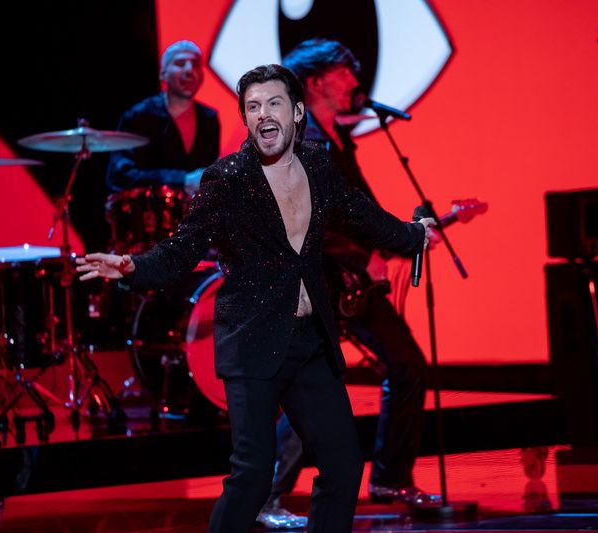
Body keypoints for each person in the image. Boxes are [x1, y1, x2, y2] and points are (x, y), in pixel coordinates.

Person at [76, 64, 435, 533]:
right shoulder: (226, 180)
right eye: (253, 107)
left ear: (297, 112)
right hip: (252, 342)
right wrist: (130, 266)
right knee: (251, 475)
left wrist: (413, 236)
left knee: (344, 465)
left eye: (274, 104)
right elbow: (181, 250)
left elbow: (361, 216)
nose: (263, 115)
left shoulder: (319, 165)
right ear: (246, 119)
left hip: (309, 342)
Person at [256, 39, 441, 529]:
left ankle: (390, 477)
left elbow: (357, 214)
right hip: (317, 278)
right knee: (312, 385)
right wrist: (364, 254)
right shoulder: (301, 140)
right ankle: (266, 495)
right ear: (315, 81)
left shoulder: (338, 141)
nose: (355, 83)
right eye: (345, 73)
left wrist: (404, 238)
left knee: (406, 364)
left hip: (351, 279)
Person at [106, 40, 220, 194]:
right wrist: (182, 180)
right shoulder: (138, 116)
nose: (189, 69)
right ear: (163, 74)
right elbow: (120, 176)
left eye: (195, 64)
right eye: (180, 63)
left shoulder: (209, 118)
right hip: (151, 213)